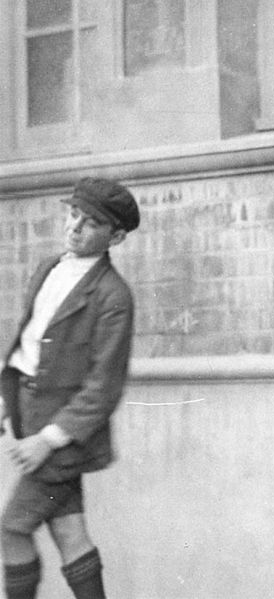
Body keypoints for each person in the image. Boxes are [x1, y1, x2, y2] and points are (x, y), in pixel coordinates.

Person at [0, 177, 139, 599]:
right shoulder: (48, 268)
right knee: (69, 534)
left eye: (91, 222)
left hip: (63, 438)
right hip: (30, 418)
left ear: (114, 236)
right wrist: (6, 402)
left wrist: (47, 439)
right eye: (73, 214)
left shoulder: (113, 296)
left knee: (10, 530)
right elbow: (28, 344)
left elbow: (103, 388)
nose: (75, 227)